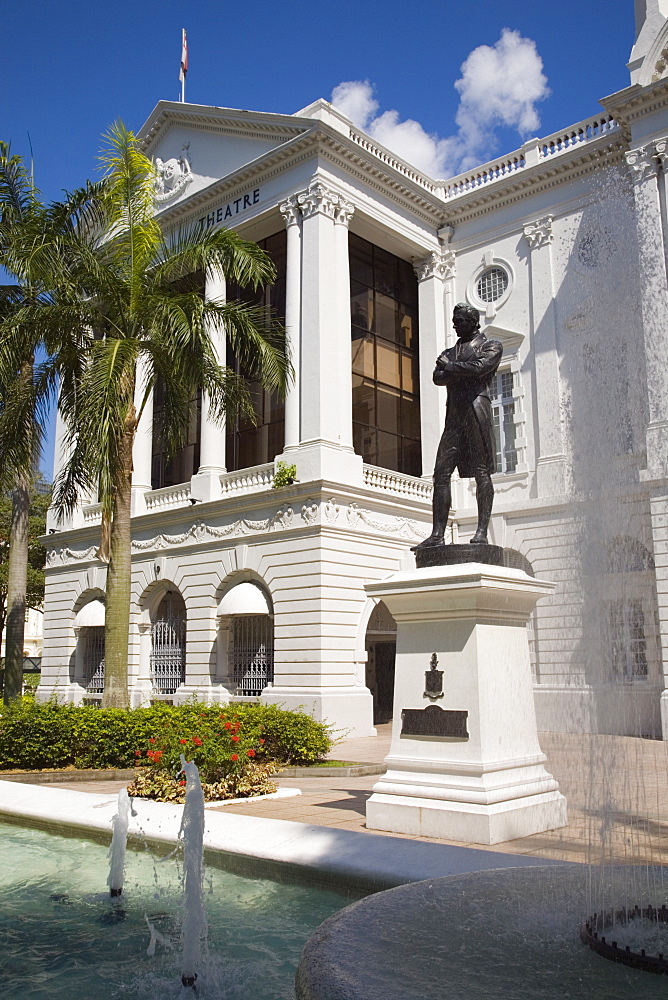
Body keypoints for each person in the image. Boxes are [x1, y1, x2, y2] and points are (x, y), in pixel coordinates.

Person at [416, 303, 502, 548]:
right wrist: (457, 370)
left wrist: (451, 367)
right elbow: (437, 378)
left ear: (473, 321)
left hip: (476, 413)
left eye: (460, 321)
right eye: (454, 321)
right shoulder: (450, 351)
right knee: (440, 474)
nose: (455, 325)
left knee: (481, 472)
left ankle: (482, 532)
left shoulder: (491, 346)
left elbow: (480, 368)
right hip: (454, 418)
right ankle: (437, 535)